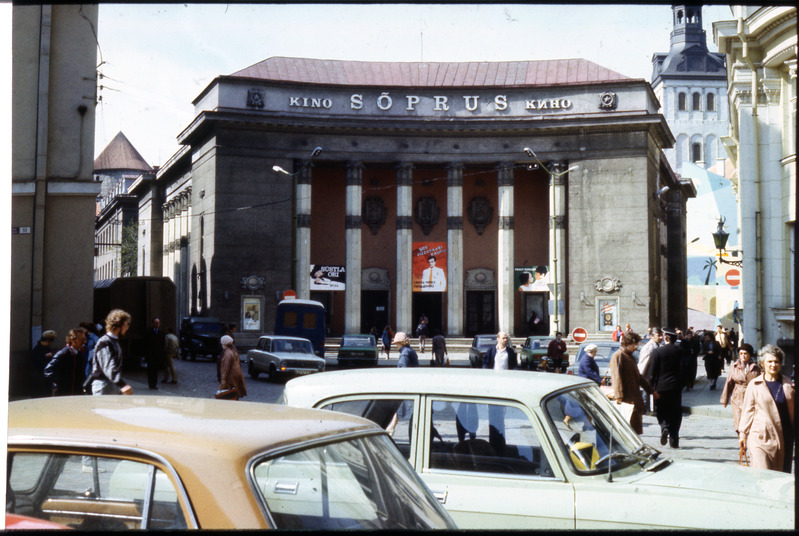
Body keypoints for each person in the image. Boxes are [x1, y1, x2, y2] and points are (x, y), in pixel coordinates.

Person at [738, 345, 794, 473]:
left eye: (776, 361)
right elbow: (748, 410)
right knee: (761, 475)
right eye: (769, 361)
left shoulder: (789, 384)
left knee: (781, 476)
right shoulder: (755, 385)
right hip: (761, 437)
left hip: (784, 437)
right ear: (762, 363)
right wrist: (743, 434)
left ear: (780, 364)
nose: (773, 365)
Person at [608, 331, 659, 434]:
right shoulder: (618, 356)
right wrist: (619, 398)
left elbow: (639, 377)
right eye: (634, 345)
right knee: (627, 433)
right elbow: (616, 378)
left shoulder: (630, 357)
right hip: (626, 402)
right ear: (627, 344)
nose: (636, 347)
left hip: (634, 400)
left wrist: (651, 390)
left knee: (635, 432)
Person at [648, 329, 685, 448]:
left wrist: (650, 387)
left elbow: (652, 372)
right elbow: (687, 367)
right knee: (675, 412)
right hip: (675, 387)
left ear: (666, 338)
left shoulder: (657, 352)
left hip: (661, 387)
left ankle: (664, 427)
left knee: (661, 410)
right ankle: (674, 439)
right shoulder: (680, 351)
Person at [90, 309, 134, 396]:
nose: (127, 328)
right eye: (126, 325)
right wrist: (123, 385)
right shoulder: (105, 342)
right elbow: (109, 367)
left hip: (112, 386)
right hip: (104, 387)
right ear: (118, 326)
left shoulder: (113, 341)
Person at [720, 343, 760, 433]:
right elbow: (728, 383)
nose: (743, 356)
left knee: (750, 420)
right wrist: (724, 399)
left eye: (745, 353)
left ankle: (748, 441)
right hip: (737, 396)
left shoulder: (756, 368)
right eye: (741, 353)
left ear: (750, 354)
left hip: (752, 396)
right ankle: (741, 443)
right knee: (738, 419)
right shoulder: (734, 367)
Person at [43, 328, 87, 396]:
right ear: (72, 340)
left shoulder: (79, 354)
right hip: (63, 394)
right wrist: (59, 382)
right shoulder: (63, 354)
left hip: (76, 394)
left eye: (84, 339)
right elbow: (48, 370)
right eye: (81, 339)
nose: (84, 342)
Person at [637, 327, 662, 413]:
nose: (661, 337)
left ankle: (650, 408)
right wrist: (641, 378)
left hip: (655, 375)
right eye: (658, 335)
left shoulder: (657, 345)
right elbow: (644, 363)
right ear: (652, 336)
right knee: (646, 393)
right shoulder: (649, 347)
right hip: (648, 375)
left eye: (661, 335)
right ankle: (645, 409)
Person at [218, 335, 247, 400]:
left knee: (228, 395)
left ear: (224, 344)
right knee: (234, 394)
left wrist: (223, 380)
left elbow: (226, 368)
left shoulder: (228, 353)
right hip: (236, 377)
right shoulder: (234, 351)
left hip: (230, 378)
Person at [31, 330, 57, 398]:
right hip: (39, 374)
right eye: (49, 341)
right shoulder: (37, 349)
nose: (50, 343)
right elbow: (34, 360)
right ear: (47, 340)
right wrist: (44, 356)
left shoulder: (47, 348)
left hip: (46, 374)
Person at [145, 317, 166, 390]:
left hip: (157, 354)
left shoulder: (162, 332)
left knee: (156, 370)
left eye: (158, 323)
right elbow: (146, 344)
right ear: (153, 323)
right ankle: (150, 384)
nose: (157, 324)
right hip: (150, 354)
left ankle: (155, 384)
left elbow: (163, 344)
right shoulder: (149, 332)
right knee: (150, 370)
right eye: (156, 323)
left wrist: (162, 354)